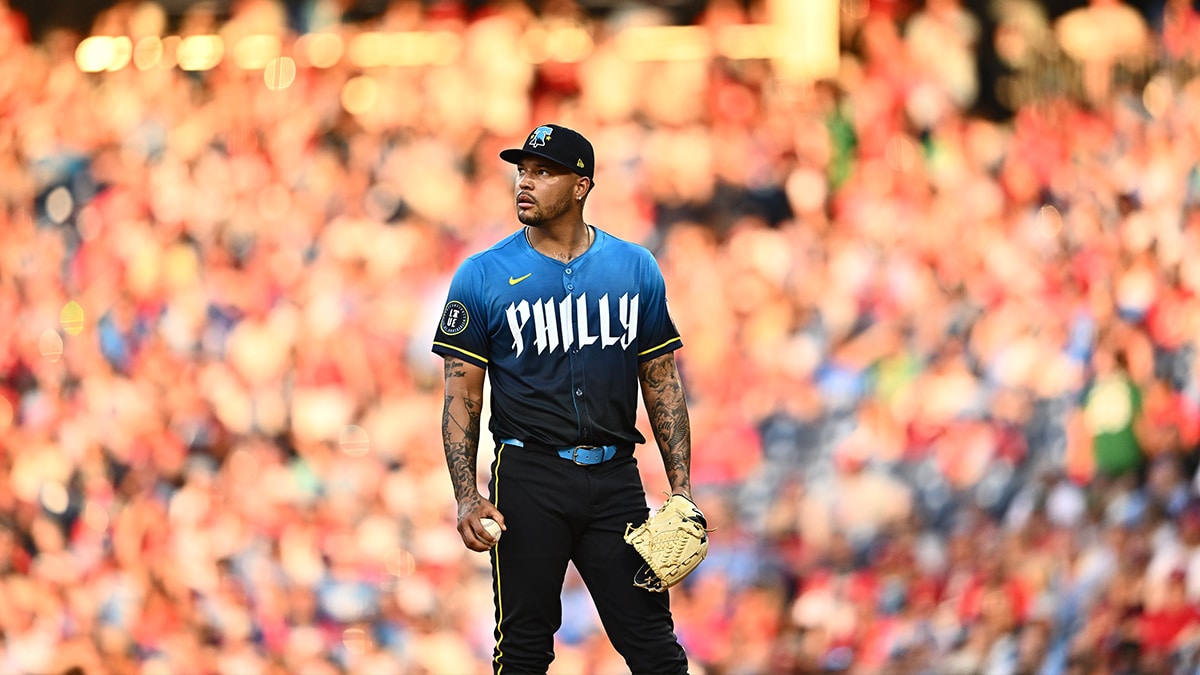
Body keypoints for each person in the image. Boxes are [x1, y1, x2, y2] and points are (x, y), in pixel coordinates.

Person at [433, 123, 699, 674]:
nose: (525, 183)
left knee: (654, 645)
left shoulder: (634, 267)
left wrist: (682, 490)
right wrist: (465, 493)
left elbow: (662, 381)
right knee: (525, 649)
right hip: (529, 476)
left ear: (581, 185)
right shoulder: (481, 276)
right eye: (522, 171)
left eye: (543, 171)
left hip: (614, 478)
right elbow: (461, 396)